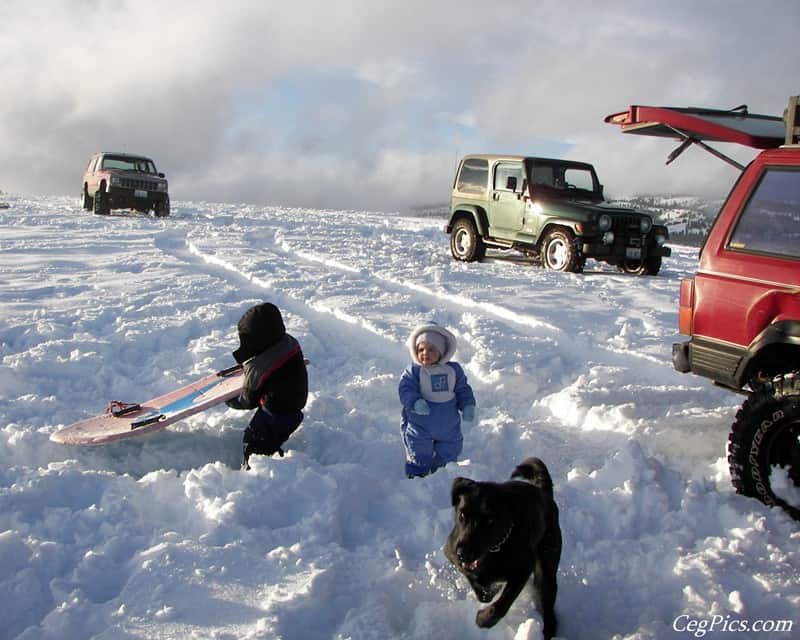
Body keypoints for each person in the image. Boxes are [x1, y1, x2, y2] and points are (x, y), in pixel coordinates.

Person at [226, 302, 308, 470]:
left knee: (254, 441)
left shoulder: (258, 366)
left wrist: (231, 400)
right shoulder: (289, 342)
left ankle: (258, 473)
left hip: (276, 414)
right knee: (272, 439)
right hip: (295, 406)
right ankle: (273, 459)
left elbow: (248, 400)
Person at [398, 322, 476, 478]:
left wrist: (467, 405)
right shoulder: (415, 370)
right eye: (420, 349)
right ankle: (417, 475)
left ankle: (443, 473)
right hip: (420, 423)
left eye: (431, 349)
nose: (425, 353)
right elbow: (405, 388)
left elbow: (462, 389)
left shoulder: (453, 370)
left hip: (449, 424)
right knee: (419, 449)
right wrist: (415, 402)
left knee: (450, 448)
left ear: (441, 351)